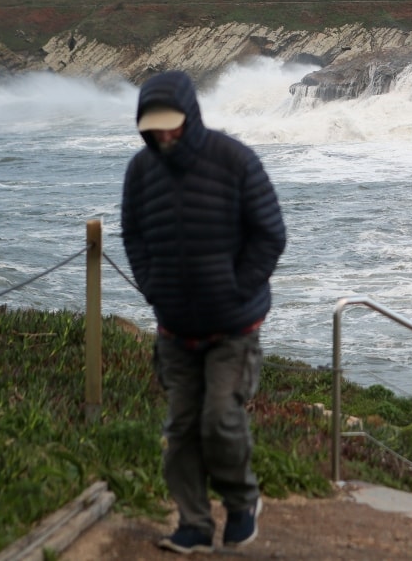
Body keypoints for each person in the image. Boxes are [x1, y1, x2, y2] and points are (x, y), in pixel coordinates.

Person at [121, 70, 287, 554]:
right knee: (181, 430)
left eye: (172, 124)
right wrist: (153, 288)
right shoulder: (140, 170)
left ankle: (241, 504)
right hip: (175, 327)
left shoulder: (234, 160)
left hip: (233, 326)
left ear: (190, 117)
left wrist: (238, 288)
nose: (165, 134)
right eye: (155, 127)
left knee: (219, 420)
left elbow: (270, 234)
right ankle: (193, 524)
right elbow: (133, 235)